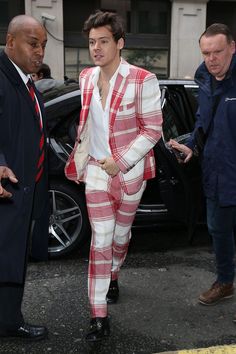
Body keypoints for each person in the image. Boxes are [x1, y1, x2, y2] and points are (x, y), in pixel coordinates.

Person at [65, 10, 163, 341]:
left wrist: (119, 161)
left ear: (119, 43)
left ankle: (115, 273)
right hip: (96, 171)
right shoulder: (85, 78)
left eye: (103, 41)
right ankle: (98, 316)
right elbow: (88, 124)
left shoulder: (143, 79)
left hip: (131, 173)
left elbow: (152, 130)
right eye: (92, 42)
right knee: (101, 240)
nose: (96, 48)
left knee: (121, 237)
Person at [169, 23, 236, 307]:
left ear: (233, 47)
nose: (211, 58)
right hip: (216, 173)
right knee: (217, 230)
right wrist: (193, 146)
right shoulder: (204, 80)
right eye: (206, 52)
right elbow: (203, 122)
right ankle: (225, 282)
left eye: (218, 51)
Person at [0, 15, 49, 340]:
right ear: (11, 41)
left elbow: (33, 133)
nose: (40, 52)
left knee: (12, 260)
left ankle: (8, 320)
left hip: (23, 192)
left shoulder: (26, 83)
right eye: (33, 44)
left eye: (43, 45)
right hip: (6, 191)